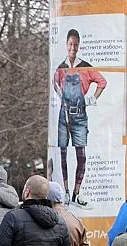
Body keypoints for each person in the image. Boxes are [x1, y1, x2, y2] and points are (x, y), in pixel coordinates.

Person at [54, 28, 107, 207]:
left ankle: (77, 193)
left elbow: (102, 82)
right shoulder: (60, 68)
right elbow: (55, 84)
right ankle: (66, 192)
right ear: (66, 44)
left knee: (81, 155)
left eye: (76, 44)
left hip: (79, 115)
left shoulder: (85, 66)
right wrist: (59, 95)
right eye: (70, 44)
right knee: (62, 153)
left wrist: (92, 98)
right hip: (63, 114)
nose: (73, 47)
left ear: (79, 45)